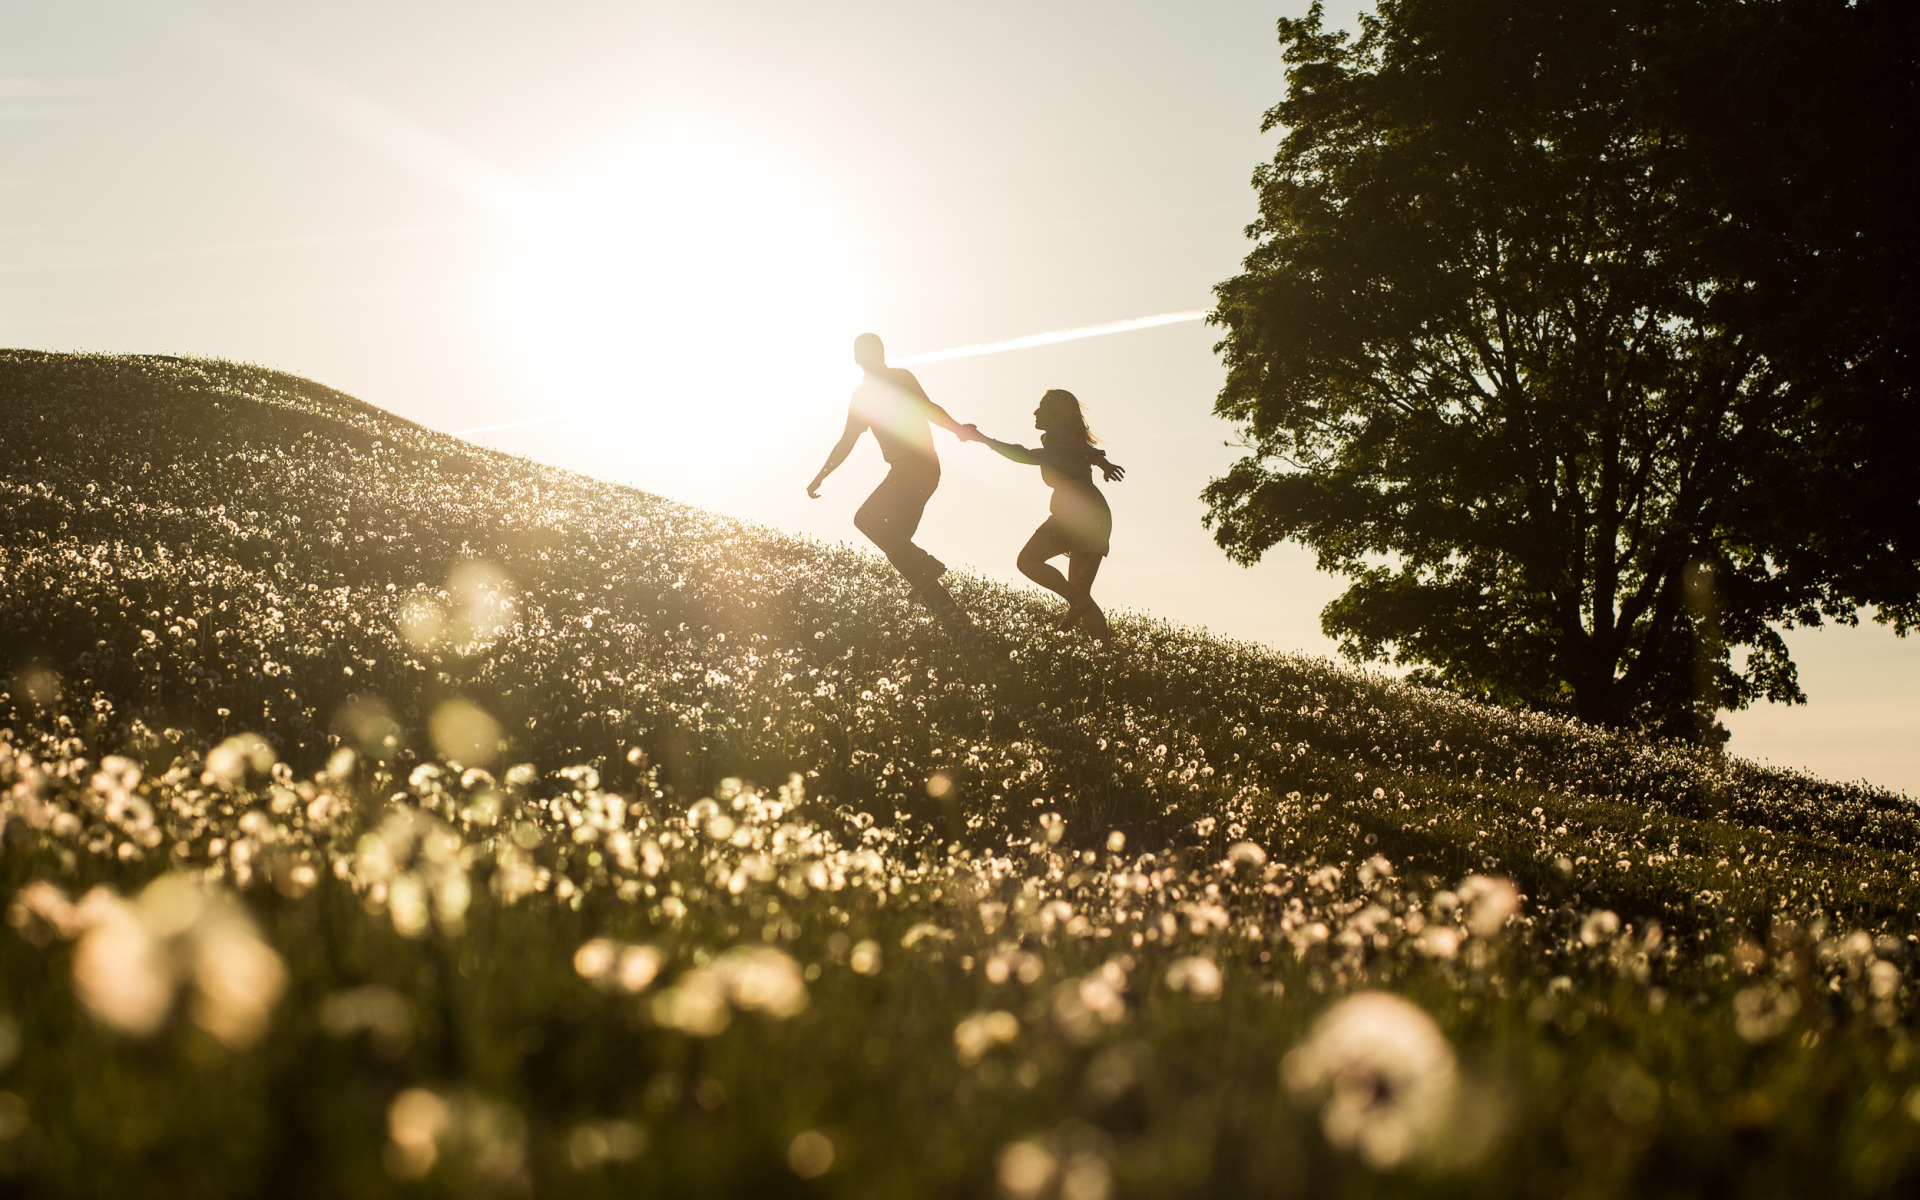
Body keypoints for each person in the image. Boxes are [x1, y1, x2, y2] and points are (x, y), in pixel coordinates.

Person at [808, 333, 978, 606]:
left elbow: (928, 409)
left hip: (914, 468)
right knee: (897, 545)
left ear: (859, 359)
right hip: (923, 469)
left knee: (867, 521)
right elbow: (847, 440)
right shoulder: (871, 391)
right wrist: (820, 476)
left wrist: (958, 428)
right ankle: (946, 611)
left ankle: (928, 568)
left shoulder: (891, 382)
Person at [970, 388, 1124, 637]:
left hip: (1076, 508)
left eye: (1041, 406)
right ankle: (1105, 655)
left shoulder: (1057, 434)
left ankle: (1075, 606)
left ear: (1055, 412)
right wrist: (983, 439)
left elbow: (1079, 448)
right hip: (1095, 512)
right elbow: (1021, 453)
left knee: (1027, 561)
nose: (1035, 411)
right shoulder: (1057, 448)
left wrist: (1102, 462)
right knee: (1081, 595)